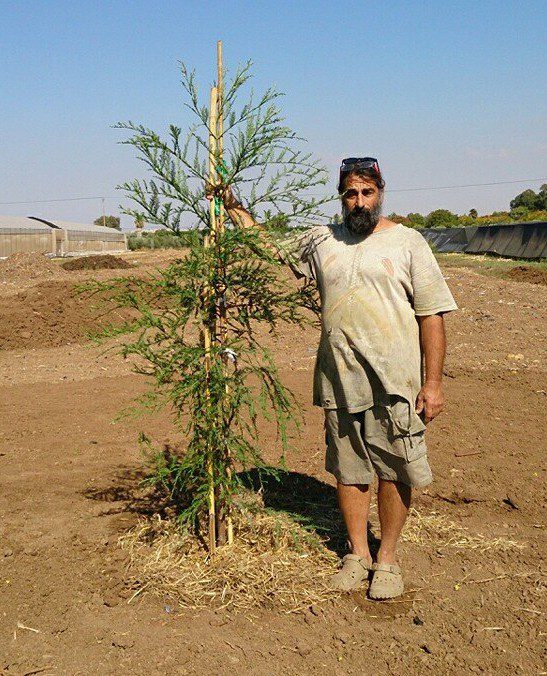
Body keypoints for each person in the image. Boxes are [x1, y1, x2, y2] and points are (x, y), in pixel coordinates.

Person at [209, 157, 458, 599]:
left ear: (381, 192)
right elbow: (271, 248)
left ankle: (388, 561)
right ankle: (358, 553)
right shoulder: (323, 239)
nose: (359, 202)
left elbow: (432, 316)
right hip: (340, 378)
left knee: (395, 470)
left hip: (395, 383)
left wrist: (432, 383)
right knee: (349, 470)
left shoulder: (408, 243)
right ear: (341, 197)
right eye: (350, 194)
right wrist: (232, 204)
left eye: (367, 193)